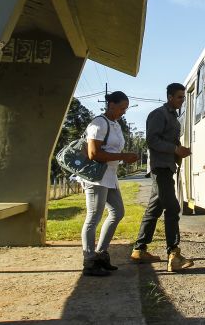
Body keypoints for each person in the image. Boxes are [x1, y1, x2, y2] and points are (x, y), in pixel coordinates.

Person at [131, 82, 194, 272]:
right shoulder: (158, 114)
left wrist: (180, 150)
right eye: (179, 97)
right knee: (173, 208)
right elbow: (152, 140)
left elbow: (169, 140)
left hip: (167, 167)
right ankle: (174, 254)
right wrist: (175, 149)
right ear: (169, 97)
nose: (182, 100)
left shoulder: (173, 116)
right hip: (160, 168)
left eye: (183, 97)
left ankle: (139, 249)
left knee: (154, 209)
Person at [80, 90, 139, 277]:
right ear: (111, 105)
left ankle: (101, 254)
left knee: (118, 212)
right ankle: (89, 261)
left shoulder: (115, 124)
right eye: (122, 108)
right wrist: (123, 156)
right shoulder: (99, 123)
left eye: (126, 109)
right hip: (96, 178)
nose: (124, 112)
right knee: (93, 217)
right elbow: (94, 154)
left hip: (110, 176)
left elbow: (112, 150)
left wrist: (124, 156)